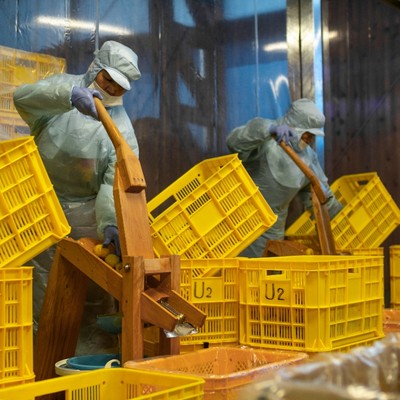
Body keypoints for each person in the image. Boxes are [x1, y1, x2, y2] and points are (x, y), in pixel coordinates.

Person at [13, 40, 141, 355]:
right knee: (37, 290)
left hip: (85, 218)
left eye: (119, 86)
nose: (111, 88)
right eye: (107, 79)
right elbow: (22, 98)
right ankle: (36, 362)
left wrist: (110, 223)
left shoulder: (122, 131)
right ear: (95, 68)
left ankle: (85, 366)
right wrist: (67, 97)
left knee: (89, 296)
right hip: (37, 204)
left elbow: (112, 182)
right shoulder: (64, 89)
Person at [226, 98, 343, 257]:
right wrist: (268, 130)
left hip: (271, 235)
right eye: (307, 133)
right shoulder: (266, 139)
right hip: (235, 223)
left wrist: (345, 218)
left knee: (265, 271)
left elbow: (320, 197)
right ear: (294, 126)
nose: (309, 139)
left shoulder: (309, 159)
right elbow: (234, 142)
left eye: (312, 135)